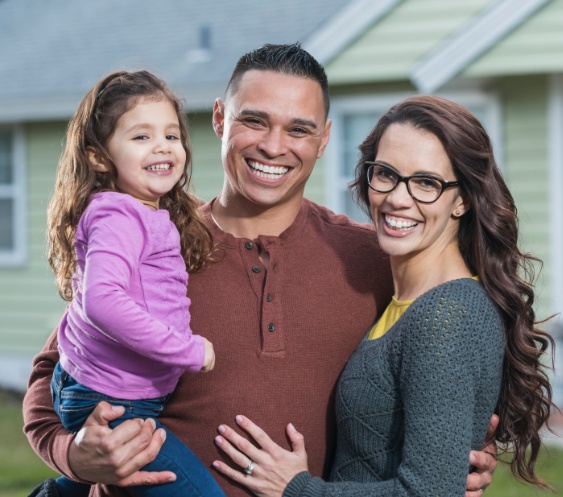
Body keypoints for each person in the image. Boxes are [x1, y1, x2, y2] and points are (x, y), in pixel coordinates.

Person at [23, 45, 497, 497]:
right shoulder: (158, 243)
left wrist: (456, 456)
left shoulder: (372, 260)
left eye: (298, 129)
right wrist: (74, 457)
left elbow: (429, 382)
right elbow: (55, 374)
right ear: (218, 119)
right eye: (254, 121)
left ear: (324, 139)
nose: (273, 147)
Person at [211, 95, 556, 496]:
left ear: (462, 199)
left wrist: (298, 490)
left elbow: (428, 493)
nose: (397, 198)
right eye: (386, 174)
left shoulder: (446, 316)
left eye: (427, 183)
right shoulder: (399, 299)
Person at [39, 70, 225, 497]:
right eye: (141, 137)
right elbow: (101, 302)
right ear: (100, 158)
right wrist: (187, 349)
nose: (162, 146)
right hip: (111, 401)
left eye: (172, 135)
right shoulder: (119, 216)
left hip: (114, 391)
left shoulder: (151, 213)